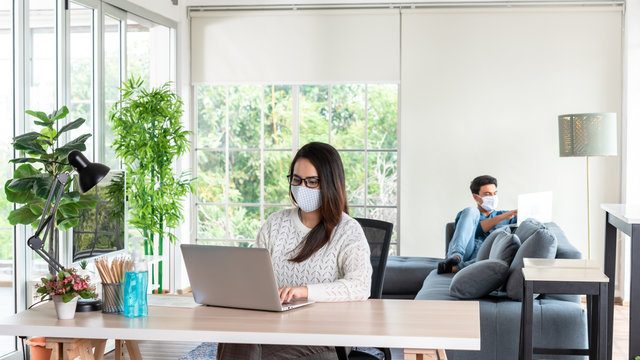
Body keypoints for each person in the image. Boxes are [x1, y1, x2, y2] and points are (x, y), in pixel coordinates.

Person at [217, 142, 372, 360]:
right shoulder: (274, 224)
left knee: (255, 353)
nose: (302, 188)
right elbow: (254, 276)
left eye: (312, 182)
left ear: (330, 183)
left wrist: (303, 291)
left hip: (327, 337)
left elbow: (360, 286)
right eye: (297, 180)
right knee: (237, 338)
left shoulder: (347, 230)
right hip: (276, 327)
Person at [437, 175, 517, 274]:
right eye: (487, 194)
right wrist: (503, 217)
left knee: (498, 254)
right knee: (471, 210)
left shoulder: (507, 216)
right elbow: (477, 229)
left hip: (481, 257)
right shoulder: (468, 215)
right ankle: (456, 256)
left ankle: (454, 268)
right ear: (476, 197)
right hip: (465, 251)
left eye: (494, 193)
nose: (492, 197)